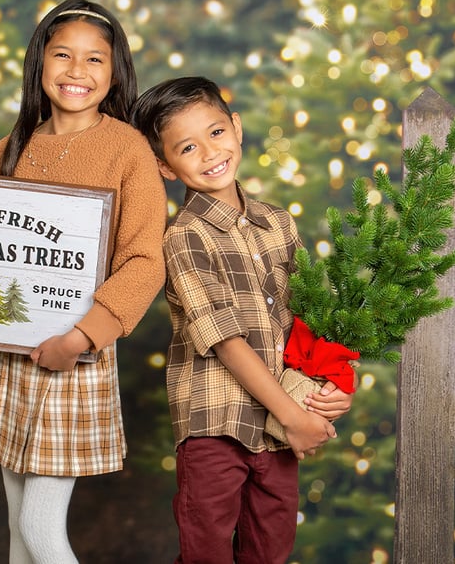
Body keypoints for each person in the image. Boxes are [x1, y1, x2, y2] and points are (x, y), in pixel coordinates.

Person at [0, 0, 167, 563]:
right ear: (39, 64)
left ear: (115, 71)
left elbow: (143, 261)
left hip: (74, 357)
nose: (77, 72)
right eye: (62, 55)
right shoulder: (8, 150)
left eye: (94, 60)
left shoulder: (127, 149)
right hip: (12, 359)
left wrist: (79, 339)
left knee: (39, 526)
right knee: (16, 527)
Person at [129, 76, 354, 564]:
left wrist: (326, 388)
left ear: (237, 127)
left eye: (215, 133)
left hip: (280, 424)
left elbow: (309, 320)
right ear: (165, 166)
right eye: (187, 147)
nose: (210, 153)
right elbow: (226, 341)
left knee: (270, 547)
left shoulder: (279, 223)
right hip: (216, 422)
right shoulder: (185, 238)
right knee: (206, 548)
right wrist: (295, 418)